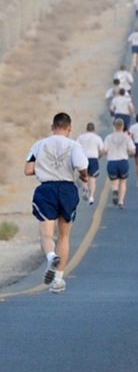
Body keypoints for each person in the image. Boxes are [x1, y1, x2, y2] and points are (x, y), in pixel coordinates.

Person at [25, 112, 88, 293]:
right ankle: (58, 280)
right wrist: (84, 177)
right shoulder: (74, 145)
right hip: (67, 189)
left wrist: (43, 168)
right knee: (64, 236)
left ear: (52, 127)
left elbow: (28, 170)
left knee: (46, 235)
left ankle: (51, 256)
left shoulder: (39, 145)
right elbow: (82, 166)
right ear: (69, 128)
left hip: (46, 189)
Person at [102, 118, 136, 209]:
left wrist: (105, 154)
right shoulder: (126, 137)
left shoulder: (108, 137)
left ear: (115, 126)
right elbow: (133, 150)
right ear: (123, 126)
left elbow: (104, 150)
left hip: (112, 161)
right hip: (123, 161)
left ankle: (115, 190)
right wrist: (130, 154)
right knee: (123, 181)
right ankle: (121, 201)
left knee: (114, 181)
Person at [76, 122, 104, 205]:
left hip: (83, 158)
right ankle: (91, 197)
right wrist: (99, 156)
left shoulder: (81, 137)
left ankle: (85, 187)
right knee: (93, 178)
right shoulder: (97, 138)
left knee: (84, 175)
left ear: (86, 129)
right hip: (93, 158)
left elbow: (76, 148)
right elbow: (102, 150)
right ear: (94, 129)